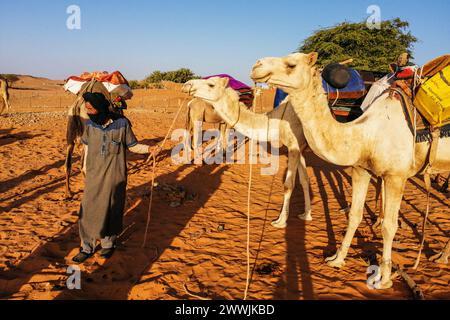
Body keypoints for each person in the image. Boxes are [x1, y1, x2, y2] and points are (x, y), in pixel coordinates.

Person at [72, 92, 158, 263]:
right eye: (87, 108)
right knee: (88, 211)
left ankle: (108, 245)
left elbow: (133, 146)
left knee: (112, 209)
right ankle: (86, 247)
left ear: (101, 108)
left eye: (91, 108)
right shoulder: (89, 125)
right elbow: (86, 148)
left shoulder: (122, 124)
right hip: (93, 176)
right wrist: (84, 168)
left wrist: (149, 149)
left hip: (114, 176)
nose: (88, 112)